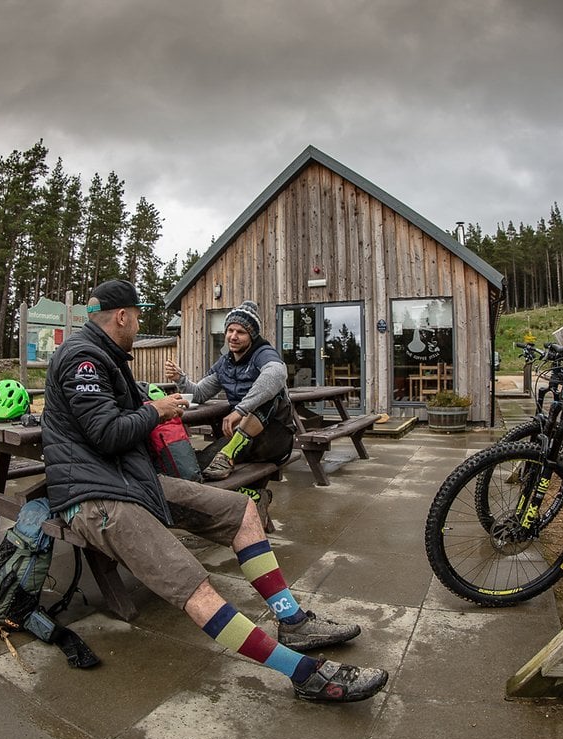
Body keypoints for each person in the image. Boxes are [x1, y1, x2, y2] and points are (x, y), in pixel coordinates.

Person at [41, 279, 388, 703]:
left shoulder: (108, 356)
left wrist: (158, 404)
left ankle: (292, 621)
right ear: (122, 316)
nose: (138, 323)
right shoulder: (84, 359)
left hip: (133, 482)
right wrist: (155, 409)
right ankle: (304, 674)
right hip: (95, 497)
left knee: (241, 509)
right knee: (195, 585)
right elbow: (106, 432)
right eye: (137, 316)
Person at [165, 300, 295, 484]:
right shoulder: (225, 363)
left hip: (274, 438)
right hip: (241, 439)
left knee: (274, 392)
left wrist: (240, 410)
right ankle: (251, 495)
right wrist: (180, 378)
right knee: (198, 464)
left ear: (251, 335)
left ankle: (231, 452)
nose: (233, 336)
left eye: (240, 332)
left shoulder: (263, 353)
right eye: (230, 330)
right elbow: (200, 393)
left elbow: (277, 373)